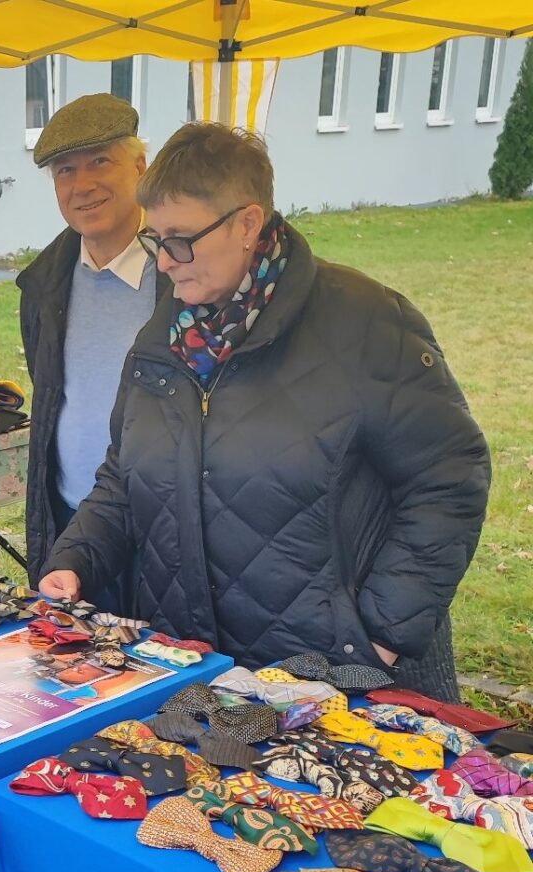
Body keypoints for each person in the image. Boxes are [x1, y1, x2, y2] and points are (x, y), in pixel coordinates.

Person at [38, 123, 490, 701]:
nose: (166, 263)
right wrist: (76, 559)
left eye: (180, 239)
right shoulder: (162, 336)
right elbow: (125, 477)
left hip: (339, 675)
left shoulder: (366, 322)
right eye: (156, 240)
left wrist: (378, 632)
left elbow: (449, 478)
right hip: (199, 669)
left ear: (248, 224)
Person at [17, 93, 170, 603]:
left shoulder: (183, 275)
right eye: (65, 171)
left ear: (141, 166)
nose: (82, 185)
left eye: (101, 161)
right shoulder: (45, 283)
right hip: (69, 532)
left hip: (163, 537)